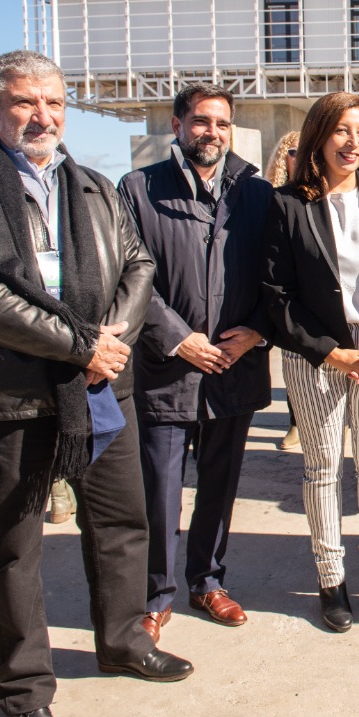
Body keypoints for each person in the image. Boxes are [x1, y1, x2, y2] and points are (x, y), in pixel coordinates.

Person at [0, 50, 191, 717]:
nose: (42, 117)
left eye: (54, 104)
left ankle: (124, 640)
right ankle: (24, 690)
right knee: (12, 544)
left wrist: (112, 343)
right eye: (23, 102)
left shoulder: (93, 185)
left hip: (99, 387)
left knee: (124, 523)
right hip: (11, 394)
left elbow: (138, 263)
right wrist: (81, 345)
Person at [117, 84, 274, 644]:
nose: (213, 132)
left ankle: (207, 581)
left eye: (223, 123)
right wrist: (178, 338)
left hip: (234, 366)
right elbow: (131, 277)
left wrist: (256, 330)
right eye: (202, 121)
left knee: (220, 485)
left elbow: (274, 276)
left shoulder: (256, 194)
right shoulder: (139, 189)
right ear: (178, 125)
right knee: (160, 489)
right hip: (167, 369)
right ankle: (155, 596)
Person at [262, 91, 359, 633]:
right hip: (316, 355)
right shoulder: (287, 204)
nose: (353, 142)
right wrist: (329, 351)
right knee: (322, 468)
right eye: (342, 131)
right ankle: (331, 580)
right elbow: (276, 295)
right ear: (319, 136)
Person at [268, 130, 303, 450]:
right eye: (293, 150)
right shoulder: (270, 196)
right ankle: (295, 422)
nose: (299, 155)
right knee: (291, 361)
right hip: (287, 297)